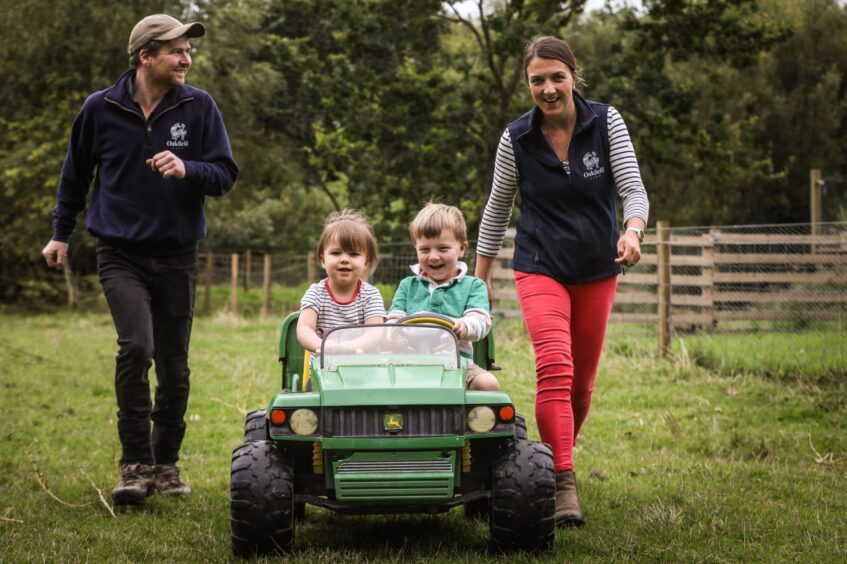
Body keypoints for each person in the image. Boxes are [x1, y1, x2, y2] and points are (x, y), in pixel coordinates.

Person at [41, 14, 239, 506]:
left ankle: (166, 464)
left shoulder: (199, 107)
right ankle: (134, 465)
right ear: (146, 56)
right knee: (137, 348)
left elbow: (225, 174)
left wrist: (187, 167)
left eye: (188, 51)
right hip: (120, 254)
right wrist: (60, 235)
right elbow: (74, 176)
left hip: (177, 256)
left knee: (174, 365)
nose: (187, 58)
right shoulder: (99, 109)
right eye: (177, 50)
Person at [474, 36, 649, 526]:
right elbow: (496, 207)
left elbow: (633, 188)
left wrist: (632, 231)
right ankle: (562, 481)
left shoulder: (606, 122)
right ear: (528, 84)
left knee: (582, 387)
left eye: (556, 77)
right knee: (555, 365)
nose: (548, 89)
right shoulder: (516, 138)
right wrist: (479, 280)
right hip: (539, 264)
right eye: (537, 80)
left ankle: (545, 462)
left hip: (598, 266)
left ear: (574, 74)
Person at [388, 203, 500, 391]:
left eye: (443, 248)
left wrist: (465, 325)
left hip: (457, 365)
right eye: (425, 250)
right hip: (409, 363)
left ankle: (476, 420)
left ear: (462, 248)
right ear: (416, 249)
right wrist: (394, 334)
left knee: (487, 383)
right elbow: (393, 320)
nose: (433, 257)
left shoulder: (473, 285)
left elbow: (481, 320)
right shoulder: (408, 285)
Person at [297, 209, 385, 353]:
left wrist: (352, 346)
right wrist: (322, 345)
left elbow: (375, 333)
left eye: (354, 254)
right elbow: (304, 329)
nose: (344, 259)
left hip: (361, 369)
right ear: (322, 259)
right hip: (324, 370)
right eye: (336, 253)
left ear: (366, 262)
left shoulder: (370, 295)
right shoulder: (316, 293)